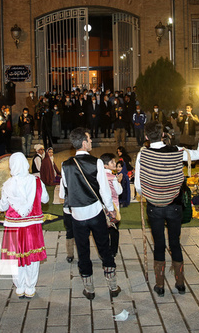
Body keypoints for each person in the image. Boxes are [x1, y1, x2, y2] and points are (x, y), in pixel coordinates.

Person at [135, 121, 199, 297]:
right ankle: (180, 283)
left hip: (154, 206)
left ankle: (159, 286)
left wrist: (148, 193)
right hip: (174, 205)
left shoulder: (142, 154)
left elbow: (138, 185)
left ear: (146, 137)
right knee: (175, 243)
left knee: (159, 244)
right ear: (162, 135)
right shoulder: (176, 151)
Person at [59, 127, 120, 300]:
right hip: (95, 212)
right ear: (84, 143)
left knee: (83, 252)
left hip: (77, 215)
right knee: (104, 248)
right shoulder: (97, 162)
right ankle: (112, 285)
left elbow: (64, 194)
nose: (92, 141)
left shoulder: (65, 164)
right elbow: (105, 192)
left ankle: (89, 288)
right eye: (90, 139)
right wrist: (110, 210)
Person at [0, 153, 49, 298]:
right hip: (33, 225)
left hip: (14, 226)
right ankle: (30, 287)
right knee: (33, 257)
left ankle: (20, 287)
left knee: (15, 258)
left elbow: (3, 206)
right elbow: (45, 199)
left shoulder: (8, 184)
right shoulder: (36, 181)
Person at [100, 153, 123, 257]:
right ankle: (113, 251)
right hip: (114, 207)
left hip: (101, 207)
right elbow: (119, 191)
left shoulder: (99, 176)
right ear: (105, 165)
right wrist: (119, 181)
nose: (114, 163)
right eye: (112, 162)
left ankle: (104, 250)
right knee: (114, 230)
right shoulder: (112, 177)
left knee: (103, 230)